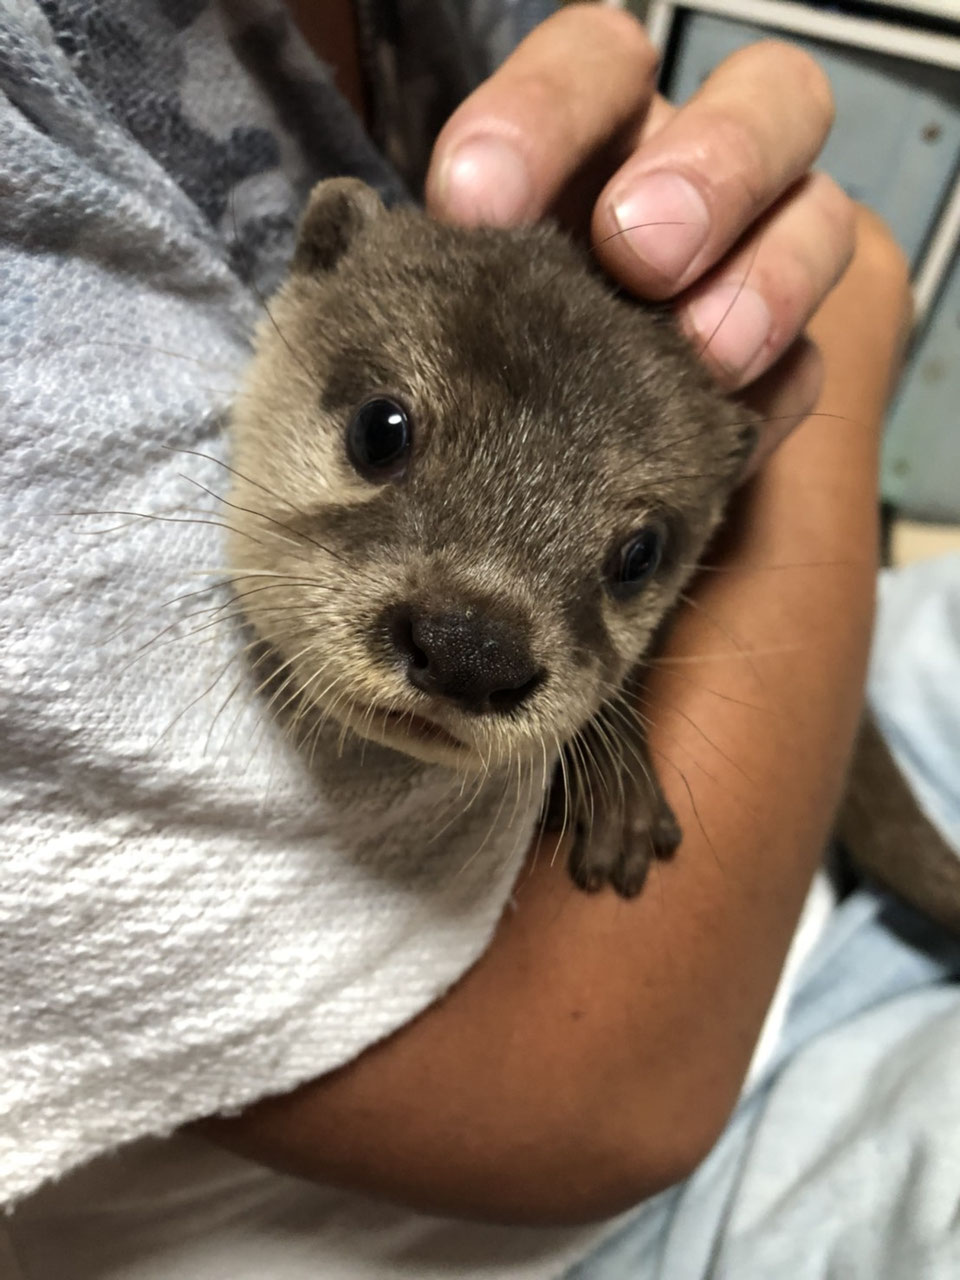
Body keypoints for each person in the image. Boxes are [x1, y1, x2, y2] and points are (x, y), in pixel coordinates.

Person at [1, 2, 956, 1277]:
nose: (480, 657)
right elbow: (620, 1092)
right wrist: (870, 288)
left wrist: (617, 736)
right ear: (319, 264)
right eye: (383, 439)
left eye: (628, 558)